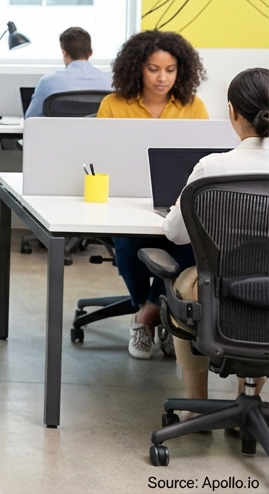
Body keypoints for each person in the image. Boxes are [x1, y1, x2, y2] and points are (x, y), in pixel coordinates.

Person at [97, 29, 208, 359]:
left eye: (170, 70)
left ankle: (145, 316)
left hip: (176, 203)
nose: (163, 78)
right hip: (126, 201)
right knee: (128, 246)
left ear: (181, 70)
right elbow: (100, 157)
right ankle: (158, 313)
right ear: (137, 68)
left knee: (191, 246)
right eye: (154, 69)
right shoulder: (114, 105)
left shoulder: (193, 106)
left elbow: (202, 162)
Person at [162, 67, 269, 405]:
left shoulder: (212, 168)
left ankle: (198, 406)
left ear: (232, 112)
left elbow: (175, 234)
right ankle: (246, 406)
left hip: (222, 291)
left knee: (185, 286)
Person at [24, 26, 112, 119]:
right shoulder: (111, 81)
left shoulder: (48, 82)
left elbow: (31, 119)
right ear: (90, 53)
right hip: (98, 133)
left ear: (64, 53)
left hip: (59, 133)